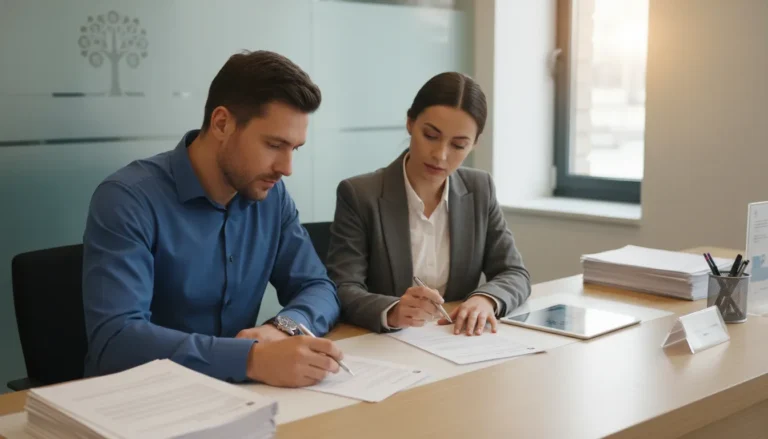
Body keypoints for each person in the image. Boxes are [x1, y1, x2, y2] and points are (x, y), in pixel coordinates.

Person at [82, 50, 344, 388]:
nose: (286, 168)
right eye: (274, 144)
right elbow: (116, 340)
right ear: (222, 123)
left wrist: (282, 328)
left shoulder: (271, 197)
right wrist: (251, 358)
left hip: (238, 396)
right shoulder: (128, 199)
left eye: (294, 148)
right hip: (139, 400)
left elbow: (318, 287)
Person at [326, 72, 531, 335]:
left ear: (474, 144)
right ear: (410, 122)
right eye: (431, 135)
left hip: (455, 341)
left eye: (458, 145)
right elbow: (342, 287)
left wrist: (486, 299)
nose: (440, 155)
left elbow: (514, 272)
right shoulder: (359, 194)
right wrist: (393, 309)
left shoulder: (480, 189)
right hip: (386, 343)